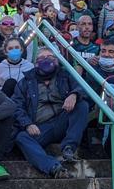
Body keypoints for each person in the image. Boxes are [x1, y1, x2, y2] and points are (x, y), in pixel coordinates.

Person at [11, 48, 86, 178]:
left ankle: (69, 147)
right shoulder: (25, 82)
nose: (46, 60)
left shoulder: (66, 75)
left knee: (82, 105)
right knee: (21, 137)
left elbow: (84, 88)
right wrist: (27, 124)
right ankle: (53, 167)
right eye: (42, 58)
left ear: (57, 61)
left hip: (63, 120)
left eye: (50, 57)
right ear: (35, 63)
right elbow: (16, 106)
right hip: (40, 127)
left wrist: (74, 94)